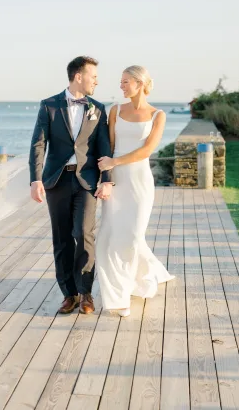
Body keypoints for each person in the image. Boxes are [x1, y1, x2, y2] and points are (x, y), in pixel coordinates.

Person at [29, 56, 113, 315]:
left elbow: (103, 148)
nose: (96, 81)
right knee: (62, 238)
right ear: (79, 76)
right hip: (56, 181)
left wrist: (107, 180)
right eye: (93, 76)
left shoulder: (98, 108)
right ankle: (69, 294)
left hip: (86, 181)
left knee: (83, 234)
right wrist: (35, 179)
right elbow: (38, 144)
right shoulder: (49, 105)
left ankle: (86, 293)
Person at [96, 65, 174, 317]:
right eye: (121, 81)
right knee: (110, 235)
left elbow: (147, 150)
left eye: (125, 81)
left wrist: (115, 162)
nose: (121, 85)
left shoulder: (158, 115)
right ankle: (118, 297)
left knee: (132, 236)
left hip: (139, 180)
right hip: (116, 180)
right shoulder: (115, 111)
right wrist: (106, 177)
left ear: (140, 83)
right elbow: (109, 145)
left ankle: (147, 272)